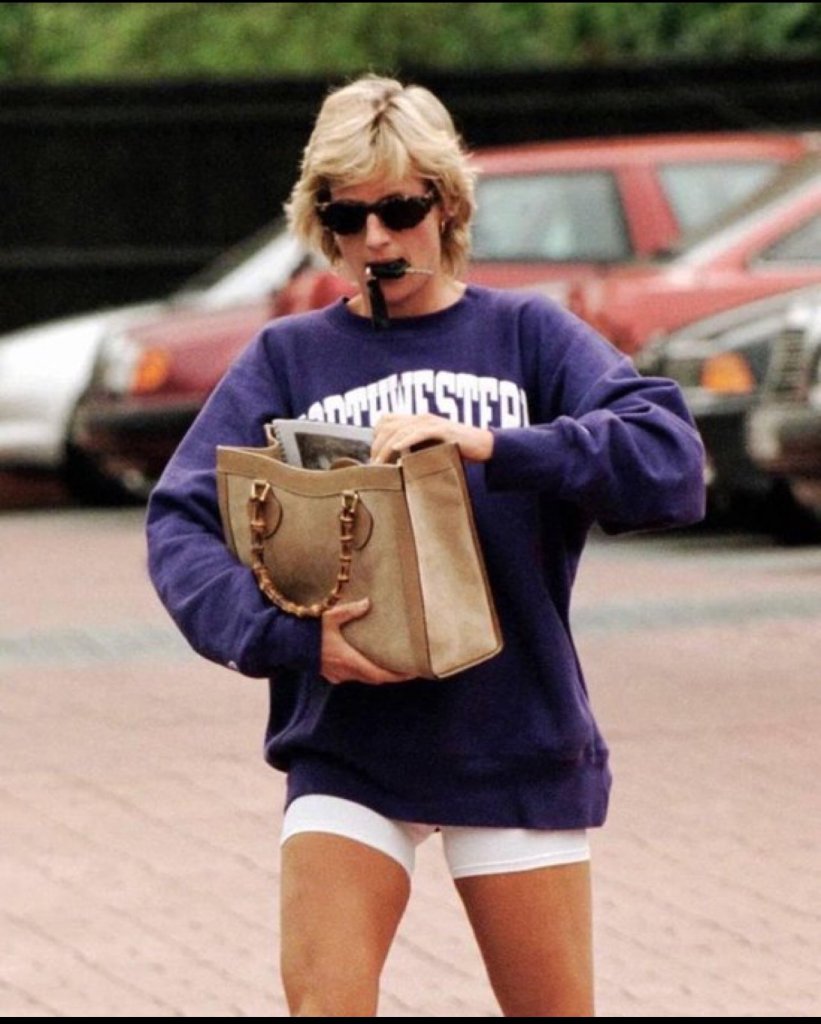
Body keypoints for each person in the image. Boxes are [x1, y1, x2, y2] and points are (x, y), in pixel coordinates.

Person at [146, 75, 705, 1017]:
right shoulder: (287, 360)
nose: (374, 239)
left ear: (446, 206)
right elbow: (179, 521)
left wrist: (497, 445)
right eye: (347, 213)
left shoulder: (525, 335)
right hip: (349, 746)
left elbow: (671, 463)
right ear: (319, 220)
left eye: (400, 209)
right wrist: (285, 638)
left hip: (513, 738)